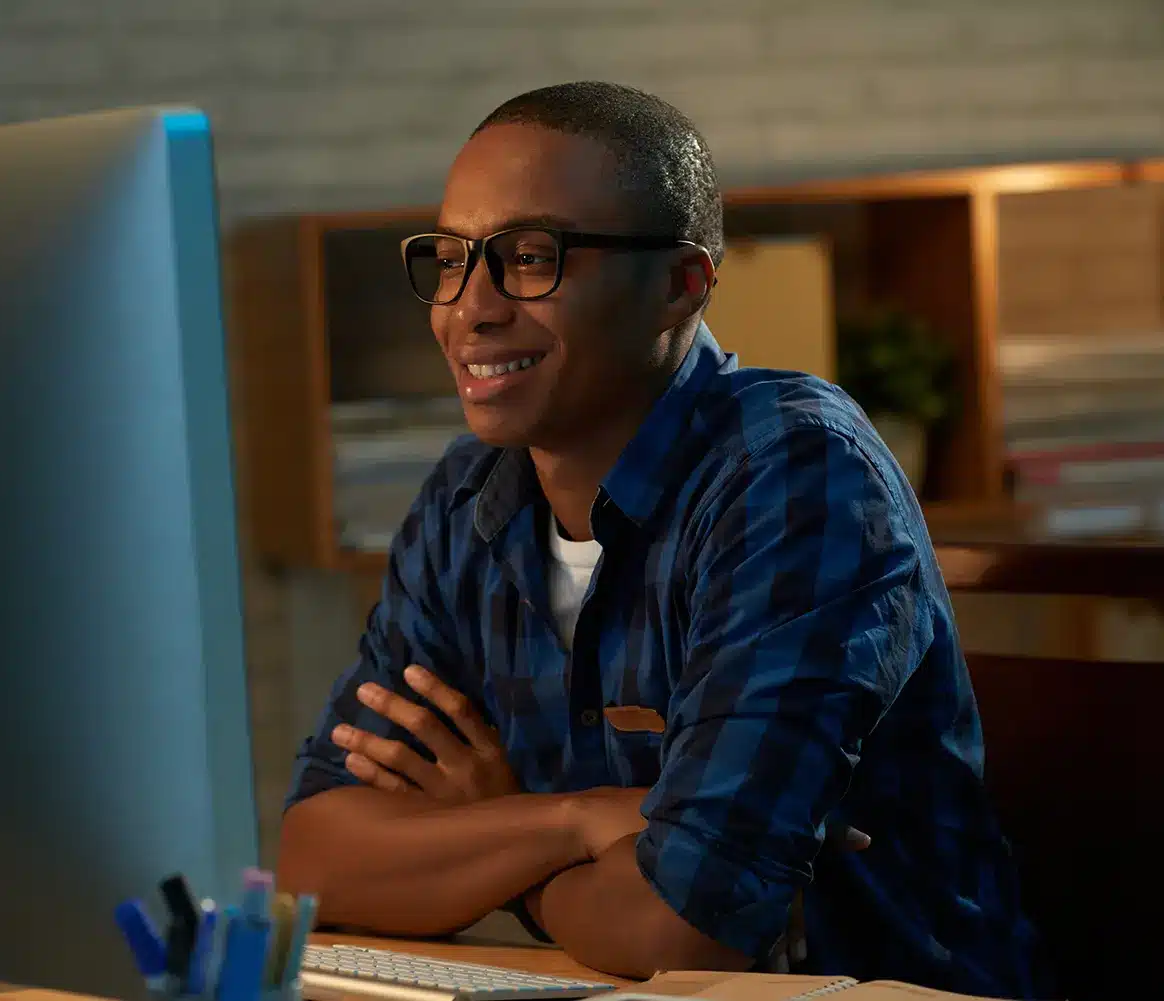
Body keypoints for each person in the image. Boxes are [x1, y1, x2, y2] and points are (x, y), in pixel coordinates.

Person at [277, 82, 1048, 998]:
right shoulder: (465, 499)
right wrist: (571, 823)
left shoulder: (797, 473)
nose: (469, 306)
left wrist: (493, 824)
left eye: (531, 257)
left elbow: (688, 926)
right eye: (450, 259)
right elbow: (316, 852)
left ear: (680, 285)